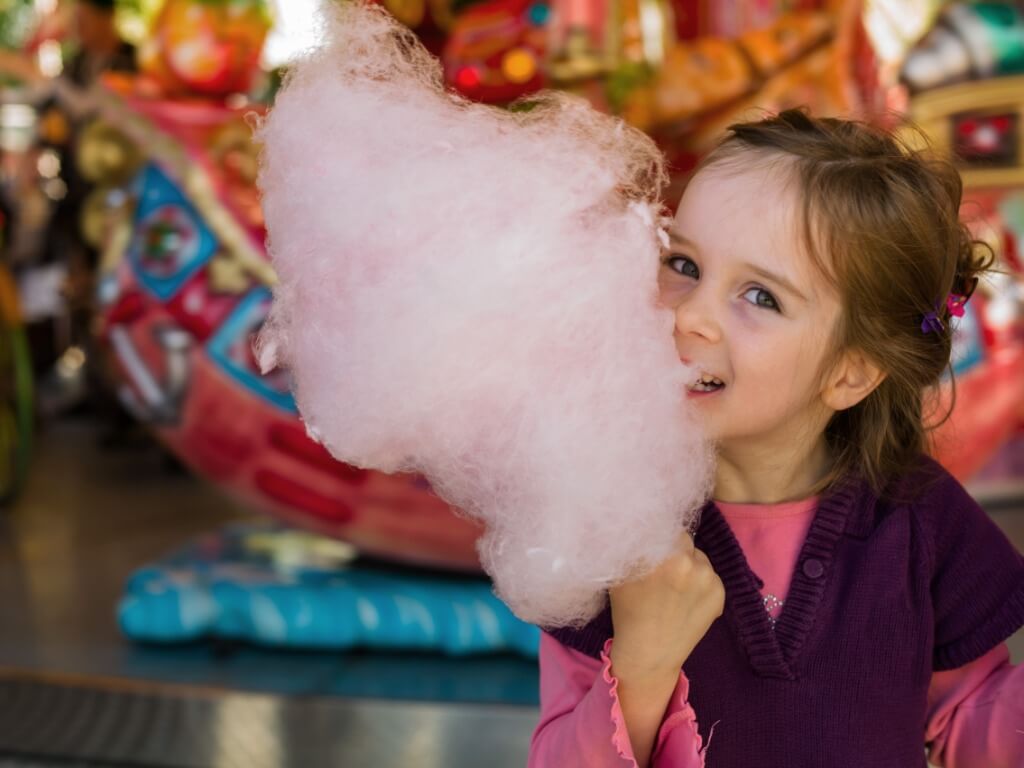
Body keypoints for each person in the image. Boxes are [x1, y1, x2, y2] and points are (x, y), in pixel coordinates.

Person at [529, 109, 1024, 767]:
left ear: (850, 372)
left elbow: (977, 722)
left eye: (760, 297)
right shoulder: (611, 527)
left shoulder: (923, 526)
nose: (691, 315)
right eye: (683, 262)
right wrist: (643, 660)